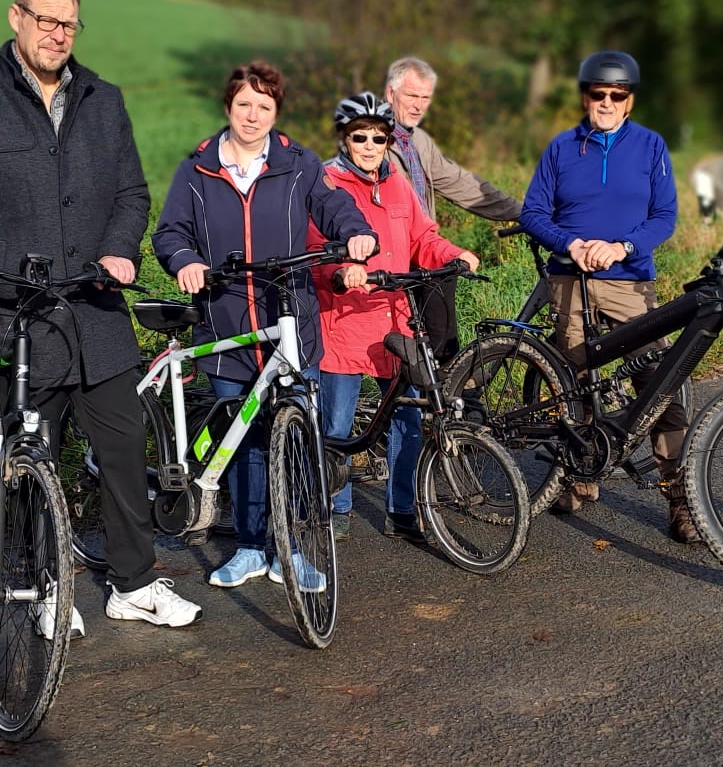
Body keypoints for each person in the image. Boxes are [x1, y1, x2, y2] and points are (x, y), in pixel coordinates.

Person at [0, 0, 201, 629]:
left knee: (125, 456)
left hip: (94, 313)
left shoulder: (104, 98)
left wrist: (123, 247)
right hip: (15, 316)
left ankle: (132, 584)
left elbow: (131, 192)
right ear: (16, 18)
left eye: (69, 23)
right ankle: (37, 585)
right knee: (27, 459)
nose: (58, 34)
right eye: (46, 20)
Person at [151, 60, 377, 589]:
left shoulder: (298, 164)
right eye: (244, 105)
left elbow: (334, 205)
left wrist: (358, 234)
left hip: (290, 324)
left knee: (295, 440)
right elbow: (170, 232)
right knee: (246, 445)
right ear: (228, 107)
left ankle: (291, 548)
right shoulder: (197, 170)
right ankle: (251, 546)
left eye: (264, 107)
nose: (252, 116)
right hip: (226, 323)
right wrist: (185, 259)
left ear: (276, 113)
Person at [516, 50, 693, 543]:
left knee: (658, 385)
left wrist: (621, 245)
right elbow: (533, 213)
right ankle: (581, 475)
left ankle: (680, 500)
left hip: (629, 280)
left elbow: (665, 217)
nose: (608, 102)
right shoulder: (561, 148)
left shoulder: (652, 147)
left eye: (618, 96)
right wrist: (571, 244)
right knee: (575, 380)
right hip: (570, 280)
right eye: (599, 95)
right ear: (586, 97)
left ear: (630, 101)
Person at [309, 92, 478, 540]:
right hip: (344, 321)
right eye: (359, 136)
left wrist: (454, 253)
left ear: (389, 142)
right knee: (336, 424)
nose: (368, 145)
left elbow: (423, 237)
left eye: (378, 138)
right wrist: (341, 270)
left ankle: (402, 509)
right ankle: (337, 509)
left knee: (406, 417)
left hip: (396, 320)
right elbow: (312, 250)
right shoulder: (324, 183)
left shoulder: (398, 183)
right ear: (345, 139)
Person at [382, 56, 521, 363]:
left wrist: (522, 212)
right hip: (394, 260)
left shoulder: (417, 140)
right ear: (391, 94)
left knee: (441, 345)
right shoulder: (372, 140)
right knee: (400, 349)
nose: (419, 105)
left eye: (425, 98)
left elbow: (460, 183)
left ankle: (445, 404)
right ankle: (414, 405)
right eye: (411, 96)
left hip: (426, 255)